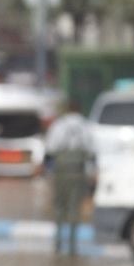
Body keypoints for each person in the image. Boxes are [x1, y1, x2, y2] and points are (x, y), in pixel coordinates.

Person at [45, 103, 96, 254]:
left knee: (60, 207)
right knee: (75, 208)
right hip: (78, 172)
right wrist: (92, 173)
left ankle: (58, 244)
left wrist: (48, 173)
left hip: (61, 171)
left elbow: (49, 151)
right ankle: (73, 247)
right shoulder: (86, 126)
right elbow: (92, 154)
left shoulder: (59, 125)